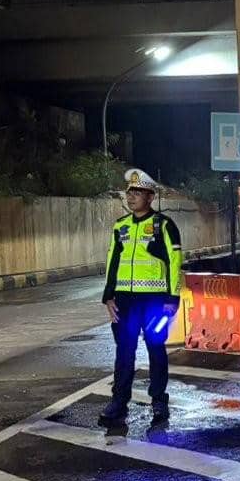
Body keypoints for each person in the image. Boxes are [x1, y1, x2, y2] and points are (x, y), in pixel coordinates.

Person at [98, 168, 183, 428]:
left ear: (150, 197)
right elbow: (112, 261)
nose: (131, 197)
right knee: (124, 352)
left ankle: (158, 400)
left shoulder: (164, 226)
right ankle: (118, 402)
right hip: (124, 302)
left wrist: (172, 298)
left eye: (137, 192)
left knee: (156, 349)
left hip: (155, 302)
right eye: (129, 192)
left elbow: (175, 262)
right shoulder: (120, 226)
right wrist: (108, 296)